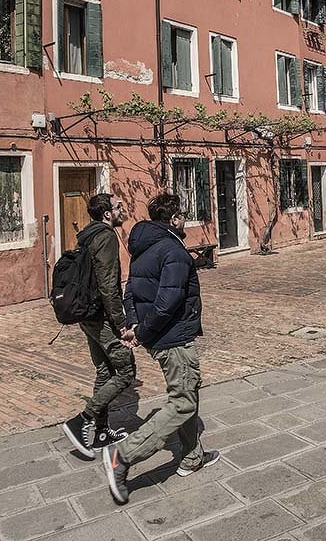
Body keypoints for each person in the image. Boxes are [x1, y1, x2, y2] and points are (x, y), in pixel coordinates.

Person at [102, 193, 219, 505]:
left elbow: (131, 290)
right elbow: (168, 302)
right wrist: (141, 331)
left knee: (186, 394)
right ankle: (123, 456)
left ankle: (192, 457)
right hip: (174, 338)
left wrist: (135, 325)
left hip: (159, 338)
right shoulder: (174, 251)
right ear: (176, 219)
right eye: (182, 215)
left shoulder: (143, 248)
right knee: (182, 403)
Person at [61, 193, 135, 460]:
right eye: (118, 207)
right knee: (126, 370)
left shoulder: (87, 235)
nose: (122, 209)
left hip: (88, 314)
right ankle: (81, 420)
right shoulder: (105, 237)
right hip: (102, 316)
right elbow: (108, 284)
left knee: (104, 372)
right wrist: (121, 323)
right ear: (107, 214)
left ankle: (102, 432)